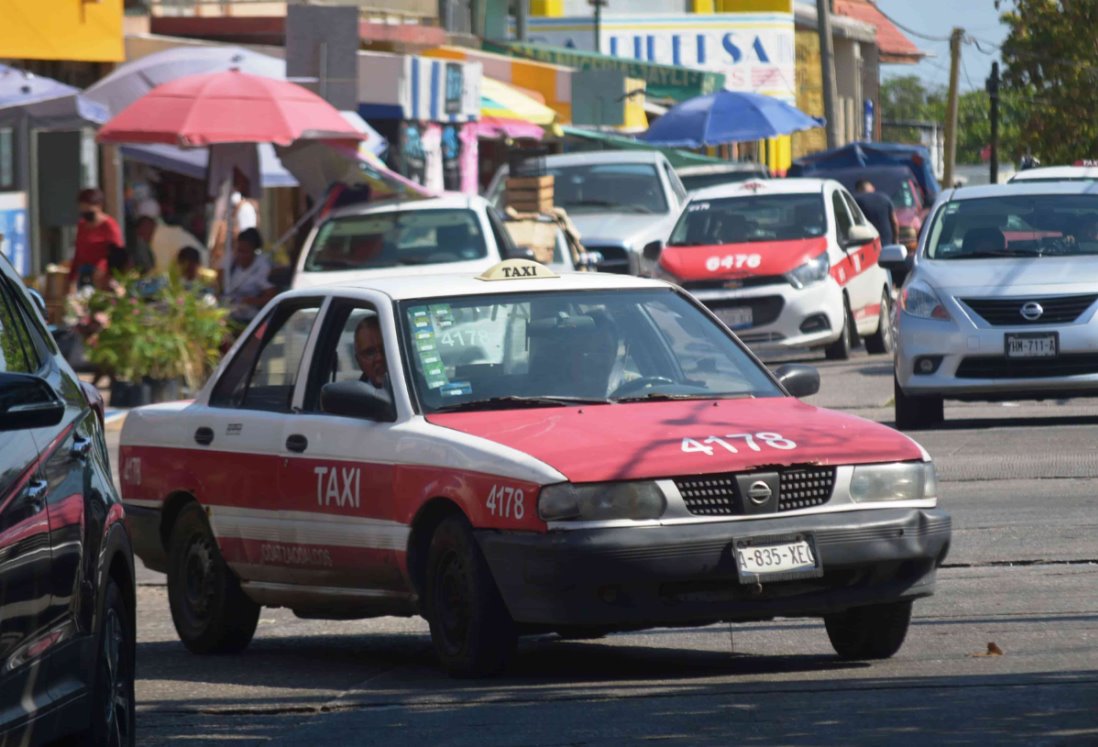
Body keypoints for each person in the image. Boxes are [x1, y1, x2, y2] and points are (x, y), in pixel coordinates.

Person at [70, 188, 124, 290]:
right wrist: (71, 278)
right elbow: (78, 253)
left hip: (103, 276)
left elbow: (117, 254)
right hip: (84, 275)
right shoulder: (82, 225)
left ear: (99, 206)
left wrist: (104, 268)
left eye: (90, 211)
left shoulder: (109, 225)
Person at [222, 228, 276, 325]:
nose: (240, 255)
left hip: (253, 320)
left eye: (245, 252)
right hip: (230, 316)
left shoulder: (262, 266)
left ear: (254, 250)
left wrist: (252, 301)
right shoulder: (230, 262)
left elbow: (272, 297)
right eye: (239, 251)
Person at [353, 315, 392, 403]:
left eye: (384, 349)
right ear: (359, 361)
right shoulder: (355, 405)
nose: (379, 358)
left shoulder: (422, 389)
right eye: (370, 352)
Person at [854, 179, 899, 247]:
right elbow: (895, 222)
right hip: (888, 245)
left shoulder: (856, 201)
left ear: (858, 190)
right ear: (872, 187)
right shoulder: (885, 198)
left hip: (867, 246)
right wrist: (896, 240)